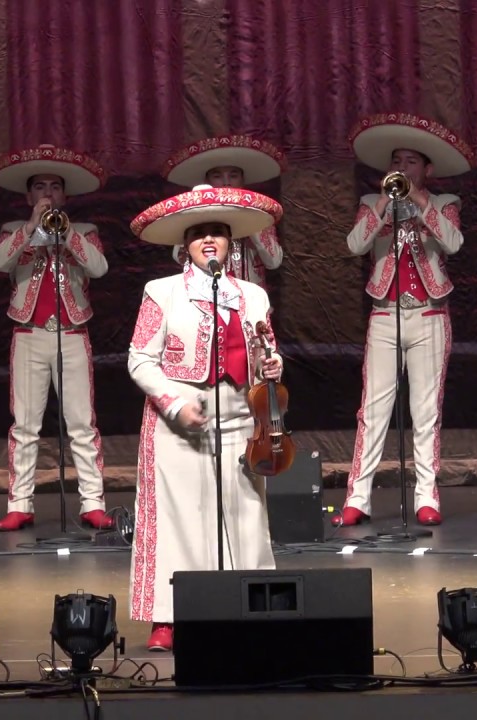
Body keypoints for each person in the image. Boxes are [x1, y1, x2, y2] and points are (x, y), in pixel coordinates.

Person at [126, 183, 285, 652]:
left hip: (239, 414)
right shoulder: (161, 292)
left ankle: (253, 604)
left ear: (230, 241)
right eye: (199, 233)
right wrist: (174, 403)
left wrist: (273, 364)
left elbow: (267, 350)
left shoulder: (253, 295)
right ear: (186, 244)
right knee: (179, 516)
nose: (209, 240)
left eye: (217, 231)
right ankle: (168, 617)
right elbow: (140, 359)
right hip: (180, 415)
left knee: (246, 512)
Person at [334, 113, 473, 528]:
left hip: (429, 314)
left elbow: (453, 242)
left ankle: (426, 497)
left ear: (426, 169)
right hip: (384, 315)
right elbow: (355, 244)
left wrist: (421, 201)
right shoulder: (370, 203)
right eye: (397, 161)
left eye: (411, 162)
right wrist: (383, 203)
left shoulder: (445, 204)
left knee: (426, 413)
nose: (402, 168)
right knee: (372, 411)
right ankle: (357, 498)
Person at [0, 144, 112, 532]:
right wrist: (30, 227)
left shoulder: (85, 231)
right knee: (24, 426)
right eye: (40, 187)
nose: (47, 193)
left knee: (82, 425)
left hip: (73, 333)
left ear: (65, 195)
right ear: (29, 196)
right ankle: (20, 504)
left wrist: (67, 232)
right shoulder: (12, 230)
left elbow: (99, 268)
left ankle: (93, 503)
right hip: (28, 334)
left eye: (54, 187)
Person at [163, 135, 286, 289]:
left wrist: (250, 217)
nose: (226, 182)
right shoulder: (196, 212)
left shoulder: (260, 213)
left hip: (249, 296)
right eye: (217, 176)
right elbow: (180, 257)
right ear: (207, 181)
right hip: (206, 294)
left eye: (233, 176)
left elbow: (274, 262)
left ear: (242, 180)